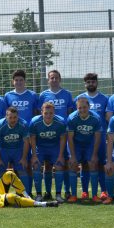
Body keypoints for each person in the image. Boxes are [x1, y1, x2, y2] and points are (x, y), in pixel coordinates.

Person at [4, 69, 40, 196]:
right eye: (16, 80)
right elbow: (6, 114)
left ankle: (28, 192)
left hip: (28, 135)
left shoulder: (32, 95)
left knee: (27, 165)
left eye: (21, 80)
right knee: (15, 166)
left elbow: (36, 113)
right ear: (13, 82)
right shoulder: (8, 96)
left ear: (25, 81)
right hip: (12, 135)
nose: (19, 82)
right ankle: (16, 192)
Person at [39, 70, 74, 200]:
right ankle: (48, 192)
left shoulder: (67, 94)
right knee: (47, 164)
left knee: (63, 163)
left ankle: (66, 191)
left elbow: (70, 112)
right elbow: (39, 113)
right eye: (51, 78)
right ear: (48, 80)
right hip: (47, 135)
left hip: (62, 134)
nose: (54, 80)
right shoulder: (43, 95)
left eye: (56, 78)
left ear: (60, 79)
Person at [74, 73, 108, 201]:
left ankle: (103, 191)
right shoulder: (79, 98)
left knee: (99, 164)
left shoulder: (105, 99)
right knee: (85, 164)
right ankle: (84, 192)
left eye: (93, 81)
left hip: (99, 137)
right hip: (83, 139)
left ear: (97, 83)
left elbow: (107, 117)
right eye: (88, 82)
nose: (91, 84)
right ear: (85, 84)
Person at [67, 97, 102, 203]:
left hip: (89, 144)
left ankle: (95, 195)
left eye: (84, 107)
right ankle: (73, 195)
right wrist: (72, 156)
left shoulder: (96, 118)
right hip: (76, 144)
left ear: (89, 107)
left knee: (93, 163)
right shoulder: (72, 118)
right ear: (76, 108)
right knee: (73, 164)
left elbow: (97, 137)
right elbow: (70, 138)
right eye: (80, 108)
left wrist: (94, 154)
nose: (82, 110)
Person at [30, 102, 67, 203]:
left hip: (55, 148)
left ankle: (58, 194)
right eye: (46, 113)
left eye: (51, 113)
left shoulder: (60, 122)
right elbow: (32, 139)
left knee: (59, 165)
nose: (48, 115)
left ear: (54, 112)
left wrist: (60, 155)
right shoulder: (34, 122)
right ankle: (39, 194)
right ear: (41, 112)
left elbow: (63, 138)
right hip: (40, 148)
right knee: (36, 166)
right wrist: (33, 155)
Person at [0, 107, 30, 189]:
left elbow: (26, 142)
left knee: (22, 170)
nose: (13, 120)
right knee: (0, 170)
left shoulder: (23, 124)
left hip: (18, 150)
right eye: (10, 117)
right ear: (6, 117)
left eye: (15, 117)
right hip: (4, 150)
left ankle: (26, 194)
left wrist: (23, 158)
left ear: (18, 116)